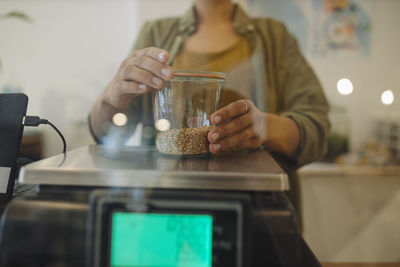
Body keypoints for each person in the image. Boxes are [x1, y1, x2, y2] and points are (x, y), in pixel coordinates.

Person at [89, 0, 330, 229]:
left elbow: (317, 130)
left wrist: (263, 127)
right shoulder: (156, 33)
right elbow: (107, 132)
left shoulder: (275, 37)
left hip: (258, 214)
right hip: (164, 208)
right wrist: (111, 98)